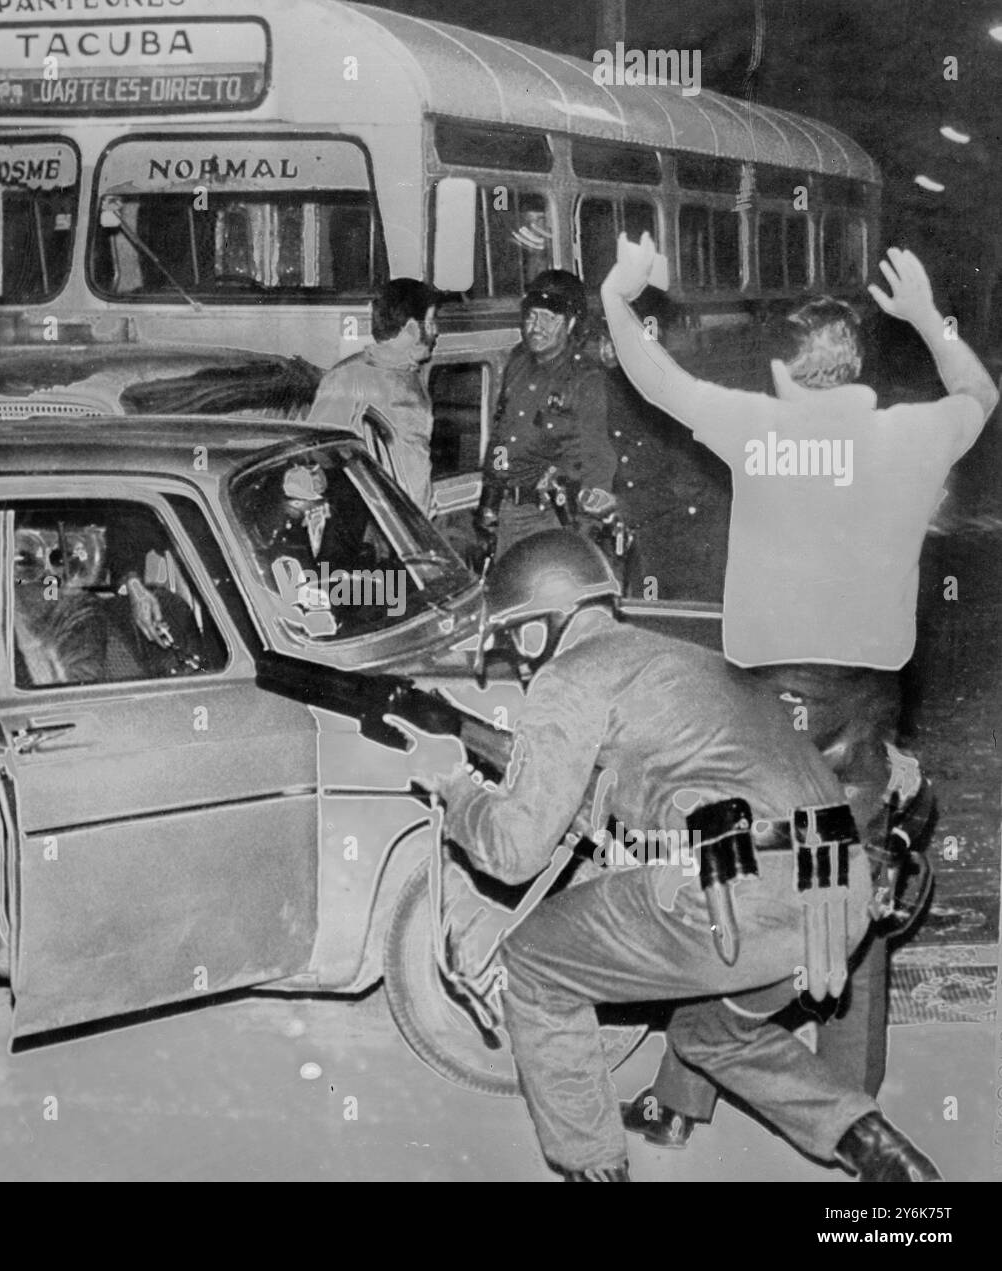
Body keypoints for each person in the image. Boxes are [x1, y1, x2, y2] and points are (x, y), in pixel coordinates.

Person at [601, 232, 998, 1146]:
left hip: (763, 705)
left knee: (733, 889)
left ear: (782, 369)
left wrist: (624, 296)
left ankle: (676, 1104)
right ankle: (852, 1116)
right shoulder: (910, 434)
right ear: (856, 364)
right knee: (851, 894)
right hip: (865, 709)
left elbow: (653, 376)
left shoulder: (756, 428)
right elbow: (980, 392)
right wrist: (929, 313)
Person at [408, 530, 942, 1182]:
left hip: (733, 895)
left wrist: (454, 785)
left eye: (514, 637)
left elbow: (515, 852)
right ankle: (882, 1152)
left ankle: (594, 1169)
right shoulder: (687, 660)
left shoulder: (570, 674)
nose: (515, 662)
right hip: (838, 897)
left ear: (544, 624)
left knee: (536, 967)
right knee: (710, 1035)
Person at [475, 270, 618, 563]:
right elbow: (503, 435)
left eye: (548, 318)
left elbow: (596, 461)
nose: (535, 326)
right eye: (531, 316)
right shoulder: (517, 361)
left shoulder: (585, 379)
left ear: (571, 323)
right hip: (507, 511)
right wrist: (490, 499)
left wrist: (584, 535)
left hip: (550, 516)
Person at [307, 278, 444, 511]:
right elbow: (317, 452)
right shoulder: (350, 377)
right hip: (376, 527)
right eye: (430, 322)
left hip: (410, 526)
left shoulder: (409, 373)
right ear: (411, 328)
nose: (436, 331)